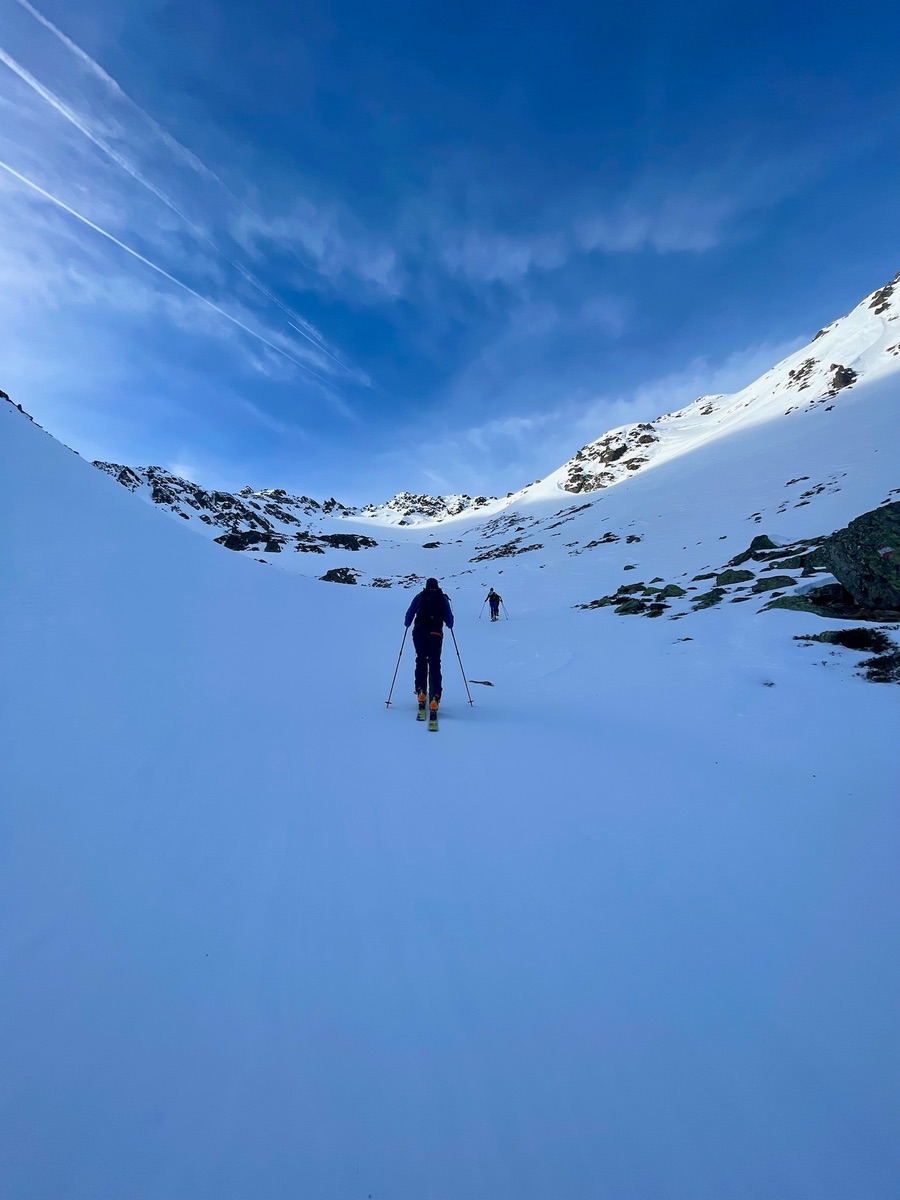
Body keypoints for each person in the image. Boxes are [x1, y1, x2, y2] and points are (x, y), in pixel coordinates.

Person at [404, 577, 454, 711]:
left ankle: (421, 692)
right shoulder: (442, 599)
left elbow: (408, 617)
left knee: (421, 660)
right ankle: (434, 698)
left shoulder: (420, 597)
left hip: (419, 633)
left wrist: (407, 623)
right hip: (435, 635)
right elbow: (450, 622)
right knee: (435, 664)